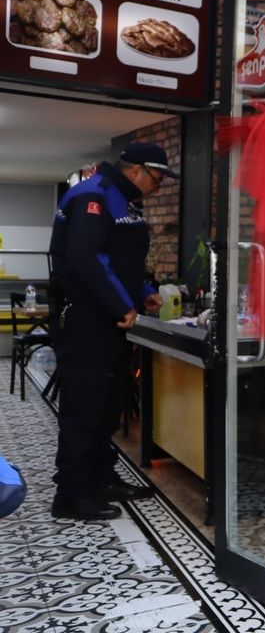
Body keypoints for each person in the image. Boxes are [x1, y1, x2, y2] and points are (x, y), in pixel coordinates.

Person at [48, 142, 176, 521]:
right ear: (136, 169)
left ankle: (101, 479)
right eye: (157, 179)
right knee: (84, 407)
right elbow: (85, 258)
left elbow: (119, 259)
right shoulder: (93, 195)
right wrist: (122, 304)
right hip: (86, 318)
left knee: (107, 405)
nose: (157, 187)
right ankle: (70, 495)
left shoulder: (122, 201)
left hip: (109, 321)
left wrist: (142, 292)